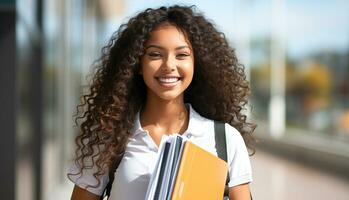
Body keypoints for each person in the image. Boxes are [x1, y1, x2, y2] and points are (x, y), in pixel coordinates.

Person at [68, 5, 256, 200]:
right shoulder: (107, 139)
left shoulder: (225, 140)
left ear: (196, 64)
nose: (169, 66)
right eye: (155, 54)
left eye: (182, 55)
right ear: (138, 64)